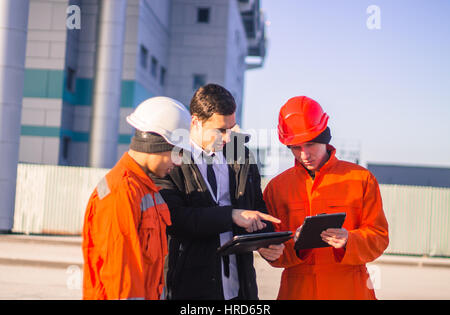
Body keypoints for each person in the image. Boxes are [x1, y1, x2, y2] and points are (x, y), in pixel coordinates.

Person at [153, 83, 282, 300]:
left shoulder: (242, 154)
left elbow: (256, 207)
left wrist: (265, 241)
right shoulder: (170, 159)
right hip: (189, 288)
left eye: (231, 128)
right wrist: (231, 215)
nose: (228, 137)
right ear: (195, 122)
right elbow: (174, 218)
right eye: (221, 130)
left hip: (240, 288)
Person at [263, 96, 389, 300]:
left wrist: (350, 239)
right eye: (296, 147)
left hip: (350, 291)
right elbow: (273, 252)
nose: (304, 155)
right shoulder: (277, 188)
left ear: (324, 138)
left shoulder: (361, 179)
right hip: (297, 292)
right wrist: (290, 245)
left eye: (310, 144)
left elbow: (379, 238)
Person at [82, 96, 191, 300]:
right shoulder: (121, 192)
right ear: (158, 144)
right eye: (178, 154)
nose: (179, 163)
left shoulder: (146, 189)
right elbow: (120, 279)